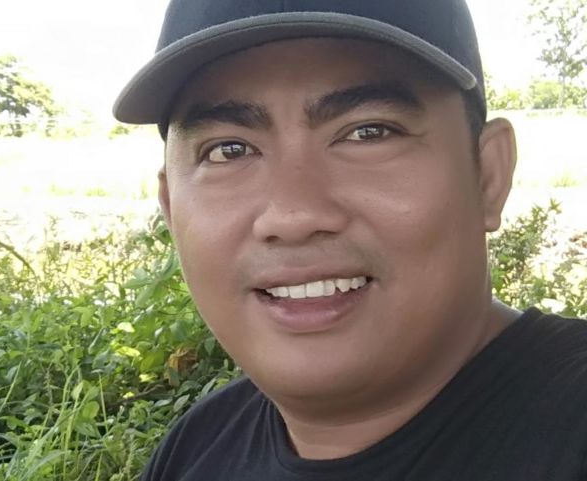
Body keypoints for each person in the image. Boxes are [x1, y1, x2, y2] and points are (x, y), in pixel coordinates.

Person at [113, 1, 587, 479]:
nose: (293, 215)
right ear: (170, 207)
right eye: (228, 150)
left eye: (368, 133)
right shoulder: (196, 448)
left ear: (487, 176)